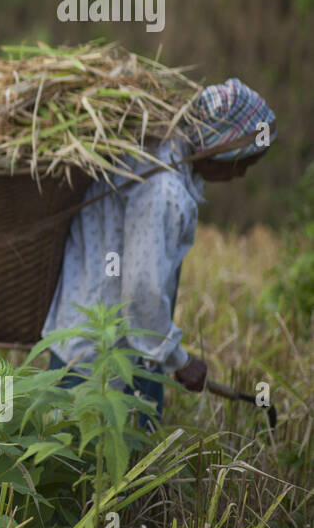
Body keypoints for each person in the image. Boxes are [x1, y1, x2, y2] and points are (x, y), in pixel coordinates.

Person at [42, 78, 276, 427]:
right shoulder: (164, 191)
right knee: (97, 458)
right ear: (219, 147)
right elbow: (141, 291)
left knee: (77, 458)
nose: (240, 173)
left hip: (94, 336)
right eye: (243, 160)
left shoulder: (156, 153)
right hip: (105, 353)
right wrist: (179, 359)